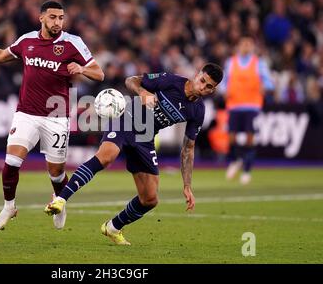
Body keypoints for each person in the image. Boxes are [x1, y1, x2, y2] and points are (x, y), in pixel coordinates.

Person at [0, 0, 105, 231]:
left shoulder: (73, 43)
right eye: (52, 17)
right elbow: (2, 55)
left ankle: (59, 200)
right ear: (41, 18)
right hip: (26, 114)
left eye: (61, 18)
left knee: (56, 174)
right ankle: (9, 207)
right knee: (11, 162)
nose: (58, 22)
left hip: (56, 117)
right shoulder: (27, 41)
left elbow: (99, 73)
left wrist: (82, 69)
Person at [44, 63, 223, 245]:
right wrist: (143, 92)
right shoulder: (171, 81)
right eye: (202, 80)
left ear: (212, 90)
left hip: (145, 138)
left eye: (209, 86)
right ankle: (61, 199)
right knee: (107, 156)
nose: (202, 87)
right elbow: (131, 80)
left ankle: (113, 227)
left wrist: (187, 185)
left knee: (150, 199)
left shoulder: (198, 111)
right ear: (197, 74)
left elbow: (188, 148)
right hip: (127, 119)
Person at [221, 37, 274, 184]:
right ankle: (236, 160)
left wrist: (266, 87)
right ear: (238, 46)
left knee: (250, 138)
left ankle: (247, 170)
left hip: (252, 106)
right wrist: (223, 90)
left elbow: (269, 83)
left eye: (249, 44)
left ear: (252, 47)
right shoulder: (231, 62)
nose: (246, 47)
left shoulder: (259, 63)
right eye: (243, 44)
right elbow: (224, 82)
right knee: (231, 137)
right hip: (234, 105)